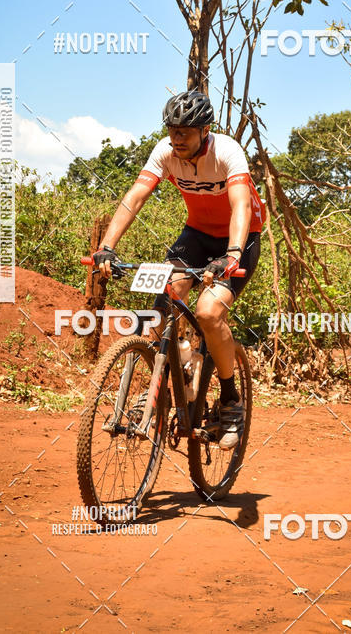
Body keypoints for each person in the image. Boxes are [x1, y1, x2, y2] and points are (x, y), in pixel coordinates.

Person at [93, 89, 265, 450]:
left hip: (240, 237)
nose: (176, 138)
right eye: (172, 130)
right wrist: (107, 246)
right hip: (197, 236)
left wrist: (232, 254)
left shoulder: (228, 152)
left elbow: (240, 207)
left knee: (208, 311)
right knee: (162, 307)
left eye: (184, 131)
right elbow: (135, 197)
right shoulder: (165, 152)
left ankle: (231, 401)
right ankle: (162, 386)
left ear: (205, 130)